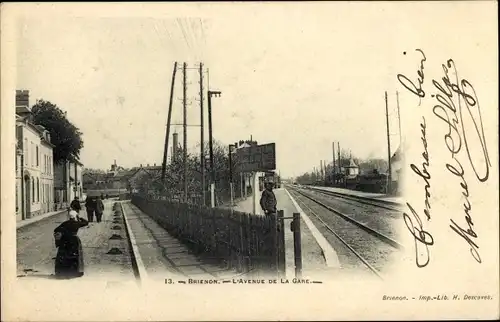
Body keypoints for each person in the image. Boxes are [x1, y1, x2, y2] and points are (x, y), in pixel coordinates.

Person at [53, 210, 89, 279]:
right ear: (75, 216)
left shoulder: (65, 223)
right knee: (74, 256)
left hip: (65, 241)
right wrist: (79, 217)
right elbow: (86, 222)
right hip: (74, 240)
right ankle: (74, 272)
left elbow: (56, 229)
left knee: (64, 255)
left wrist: (62, 234)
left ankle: (63, 272)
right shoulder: (77, 223)